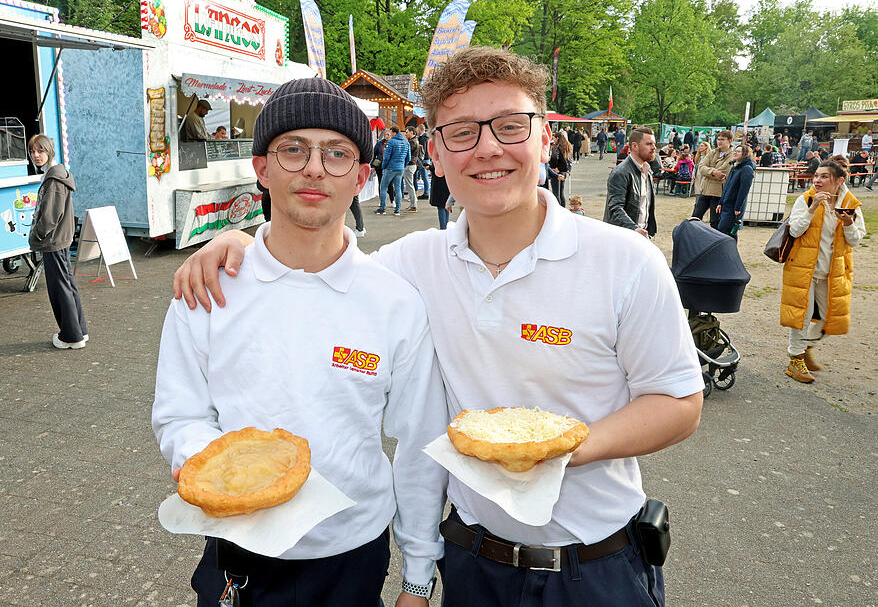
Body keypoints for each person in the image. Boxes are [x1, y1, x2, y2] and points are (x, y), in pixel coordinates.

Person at [173, 46, 703, 607]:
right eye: (462, 133)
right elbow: (320, 275)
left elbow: (677, 402)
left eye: (510, 126)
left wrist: (553, 450)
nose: (489, 148)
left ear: (546, 138)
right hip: (473, 564)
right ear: (438, 154)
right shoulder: (411, 266)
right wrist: (241, 248)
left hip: (597, 565)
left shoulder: (624, 262)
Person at [153, 77, 448, 607]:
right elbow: (180, 416)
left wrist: (418, 577)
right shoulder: (208, 289)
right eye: (293, 149)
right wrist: (218, 473)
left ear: (361, 177)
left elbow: (420, 445)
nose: (314, 168)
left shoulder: (394, 302)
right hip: (237, 555)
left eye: (337, 153)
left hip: (352, 557)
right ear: (262, 167)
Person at [781, 158, 865, 383]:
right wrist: (812, 208)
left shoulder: (851, 204)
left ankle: (805, 347)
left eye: (824, 176)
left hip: (833, 271)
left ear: (838, 180)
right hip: (803, 268)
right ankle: (795, 359)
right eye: (816, 175)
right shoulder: (805, 199)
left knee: (828, 317)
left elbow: (856, 241)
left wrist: (848, 224)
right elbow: (795, 232)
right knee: (802, 314)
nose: (817, 180)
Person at [27, 134, 88, 349]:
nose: (36, 155)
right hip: (60, 239)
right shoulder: (57, 174)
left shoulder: (53, 179)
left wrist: (38, 235)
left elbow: (50, 217)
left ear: (50, 151)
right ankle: (79, 330)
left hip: (54, 241)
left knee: (60, 288)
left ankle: (71, 336)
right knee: (67, 284)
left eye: (41, 150)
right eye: (33, 151)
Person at [604, 126, 657, 238]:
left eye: (654, 144)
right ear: (634, 146)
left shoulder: (648, 170)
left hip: (641, 236)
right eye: (649, 144)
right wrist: (634, 228)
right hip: (623, 237)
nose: (654, 147)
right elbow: (615, 208)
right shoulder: (621, 172)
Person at [692, 129, 733, 229]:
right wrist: (713, 172)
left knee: (715, 222)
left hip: (718, 194)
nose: (719, 141)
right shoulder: (713, 152)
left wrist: (709, 171)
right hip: (705, 191)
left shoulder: (732, 155)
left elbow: (723, 171)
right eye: (718, 139)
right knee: (694, 219)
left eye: (722, 139)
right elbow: (701, 167)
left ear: (729, 141)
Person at [716, 144, 755, 240]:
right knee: (727, 232)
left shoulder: (746, 169)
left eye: (738, 151)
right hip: (726, 204)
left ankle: (728, 253)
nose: (735, 153)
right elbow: (727, 186)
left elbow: (743, 191)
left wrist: (738, 208)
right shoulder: (734, 167)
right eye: (735, 151)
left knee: (726, 231)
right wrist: (721, 202)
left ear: (745, 154)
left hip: (733, 207)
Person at [376, 126, 410, 216]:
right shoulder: (406, 143)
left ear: (394, 133)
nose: (389, 134)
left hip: (390, 168)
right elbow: (408, 158)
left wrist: (384, 166)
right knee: (398, 188)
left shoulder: (391, 142)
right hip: (400, 168)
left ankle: (382, 209)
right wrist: (403, 165)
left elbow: (386, 157)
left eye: (390, 133)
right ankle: (397, 210)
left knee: (383, 187)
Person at [549, 131, 572, 207]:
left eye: (554, 138)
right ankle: (563, 208)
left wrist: (554, 167)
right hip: (563, 171)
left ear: (557, 138)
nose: (553, 140)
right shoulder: (566, 146)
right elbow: (569, 160)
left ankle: (558, 210)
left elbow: (554, 157)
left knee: (556, 193)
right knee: (561, 193)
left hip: (557, 172)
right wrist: (568, 168)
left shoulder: (557, 147)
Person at [403, 126, 421, 212]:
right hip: (411, 165)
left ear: (412, 132)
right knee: (410, 186)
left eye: (407, 132)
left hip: (410, 165)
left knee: (410, 186)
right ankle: (413, 204)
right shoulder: (413, 141)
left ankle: (414, 205)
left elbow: (406, 153)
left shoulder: (412, 142)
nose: (405, 134)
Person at [416, 124, 431, 199]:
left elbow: (423, 150)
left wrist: (420, 159)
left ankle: (426, 193)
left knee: (424, 177)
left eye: (417, 129)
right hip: (426, 158)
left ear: (420, 129)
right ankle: (426, 193)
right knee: (424, 177)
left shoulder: (423, 138)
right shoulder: (425, 137)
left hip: (424, 159)